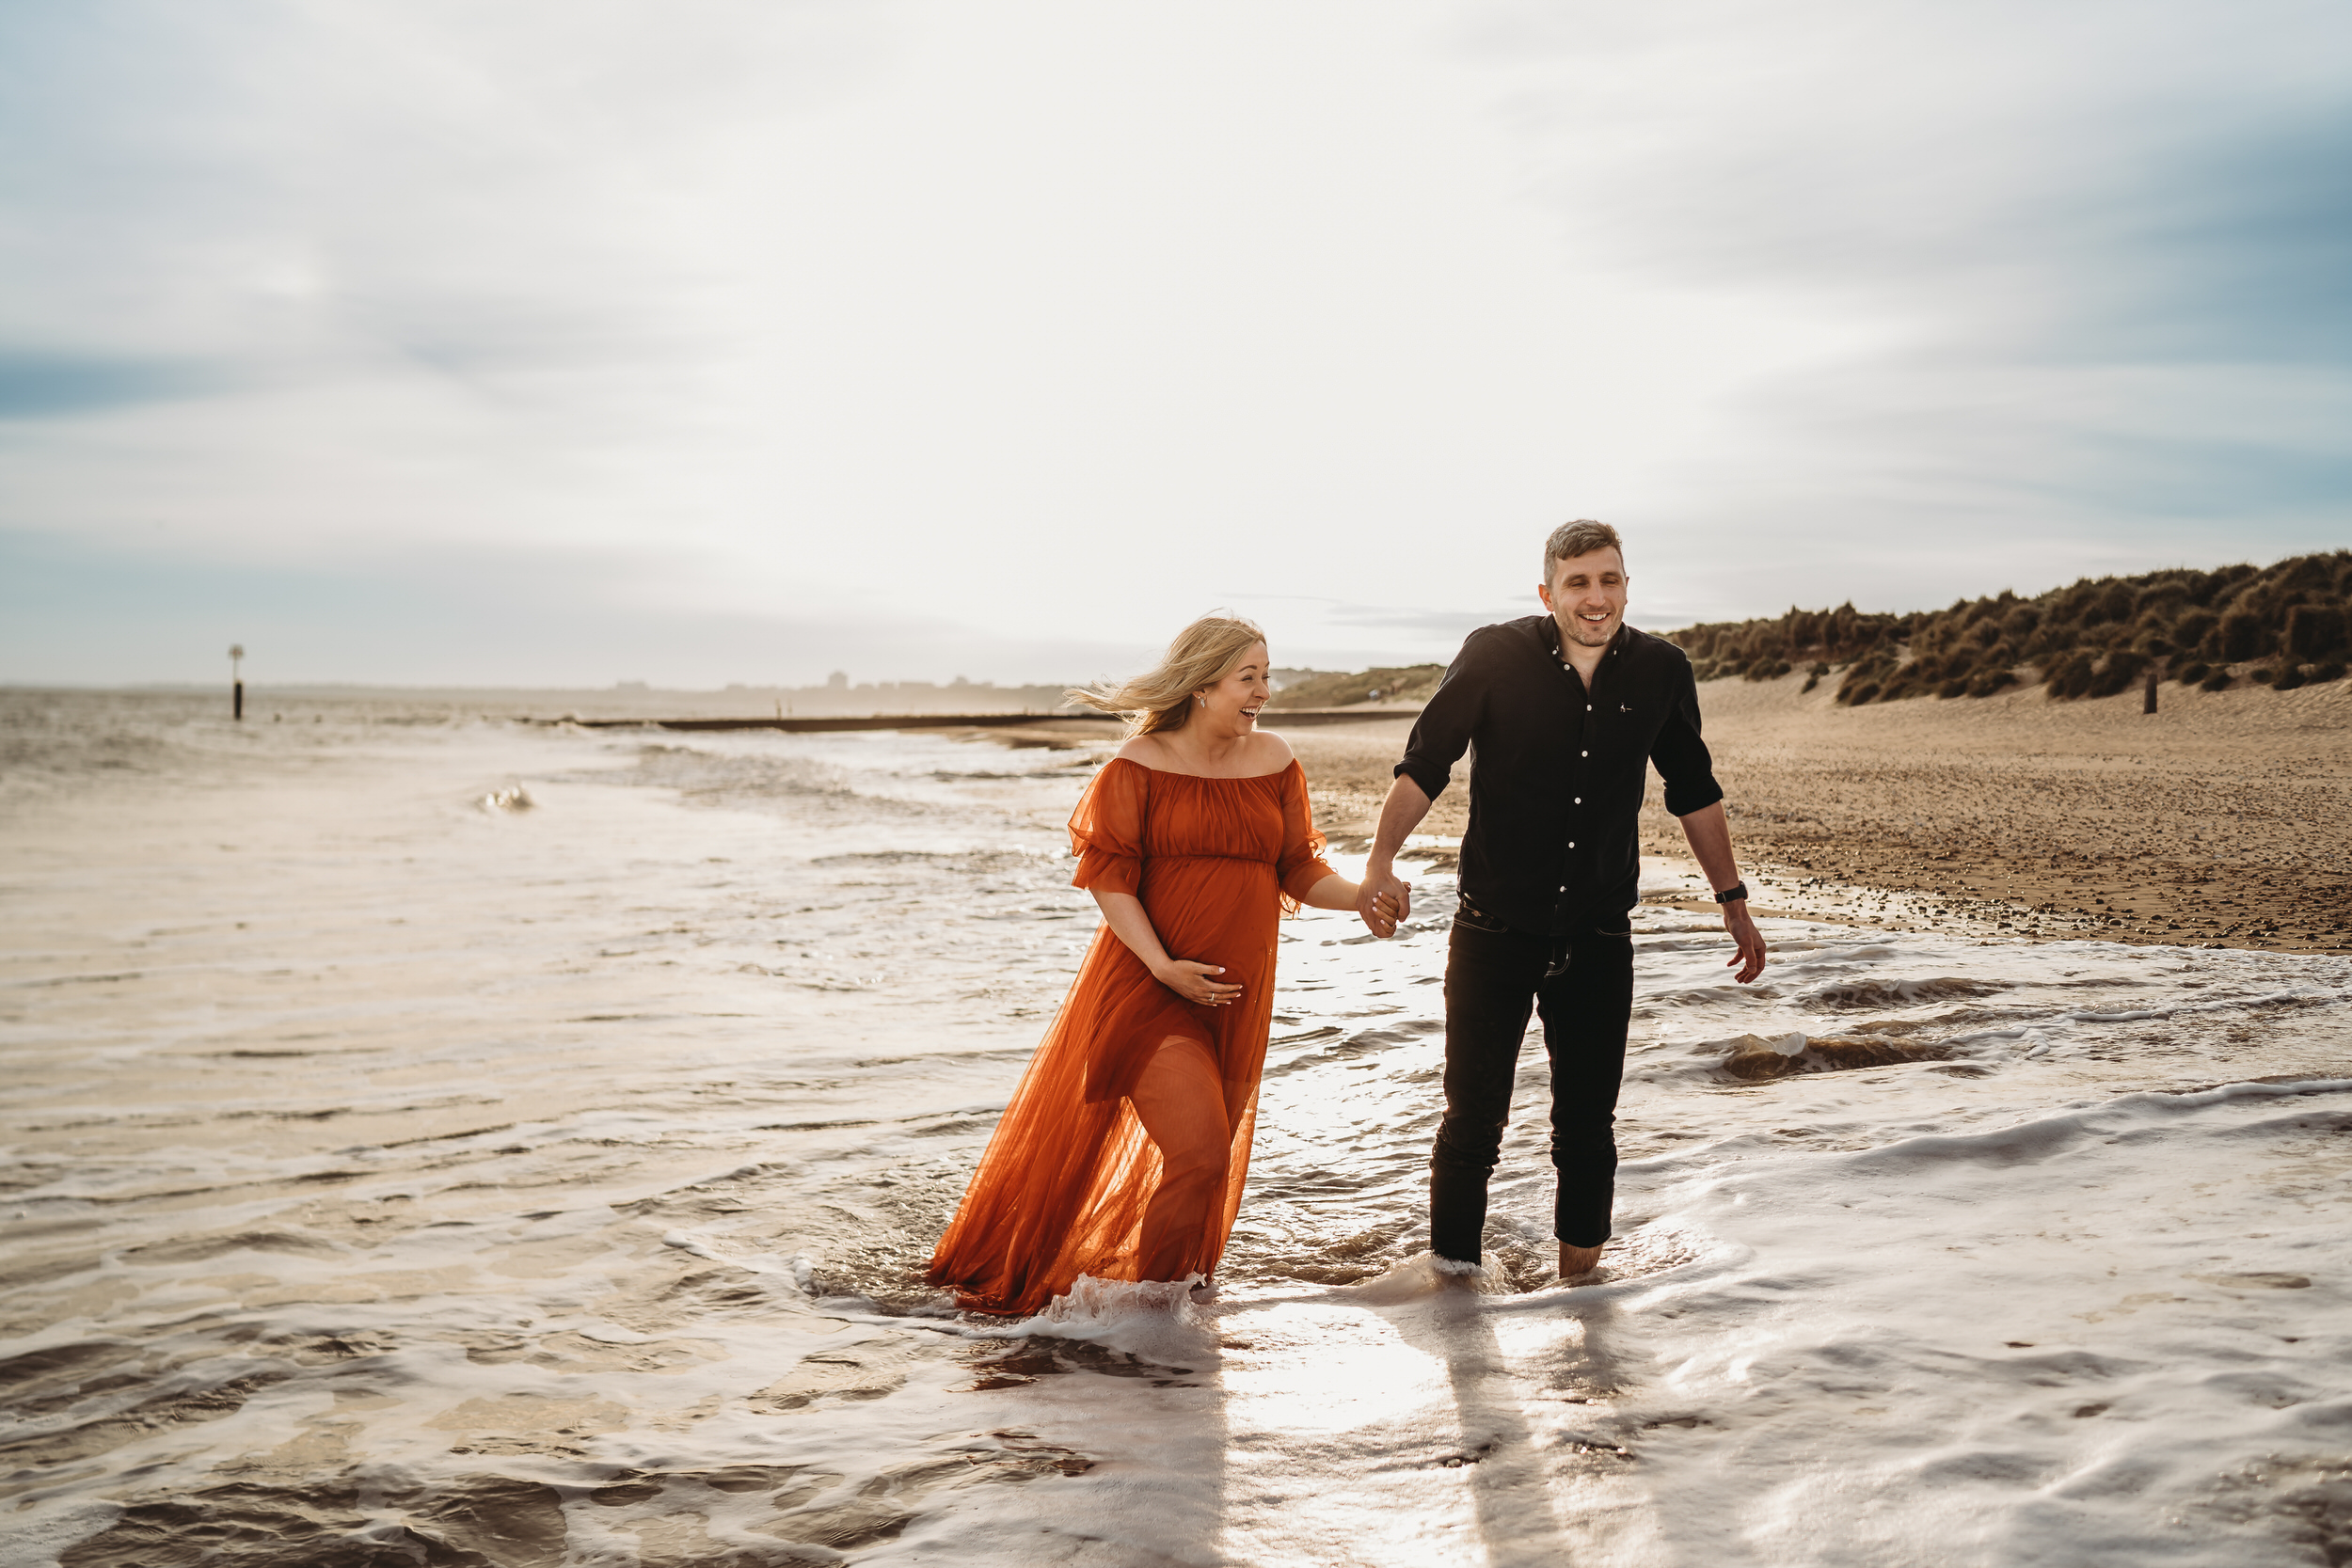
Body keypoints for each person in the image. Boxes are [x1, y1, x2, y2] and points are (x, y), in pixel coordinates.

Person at [929, 615, 1390, 1315]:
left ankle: (1167, 1335)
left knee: (1201, 1173)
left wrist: (1360, 898)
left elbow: (1297, 868)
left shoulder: (1274, 760)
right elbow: (1110, 878)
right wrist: (1163, 963)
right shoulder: (1137, 764)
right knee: (1202, 1153)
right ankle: (1150, 1322)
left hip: (1236, 998)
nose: (1265, 690)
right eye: (1249, 677)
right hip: (1147, 986)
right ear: (1204, 683)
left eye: (1268, 674)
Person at [1355, 520, 1767, 1281]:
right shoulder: (1493, 655)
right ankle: (1455, 1303)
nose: (1596, 597)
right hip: (1492, 931)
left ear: (1626, 586)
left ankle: (1582, 1302)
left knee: (1587, 1127)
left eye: (1609, 579)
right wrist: (1379, 862)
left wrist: (1732, 899)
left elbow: (1694, 789)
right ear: (1547, 592)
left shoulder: (1660, 670)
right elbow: (1424, 765)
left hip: (1599, 935)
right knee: (1472, 1124)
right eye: (1578, 582)